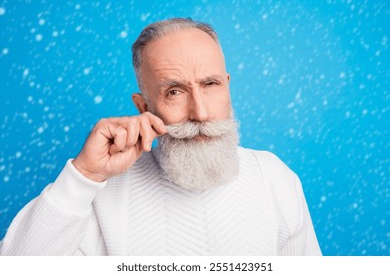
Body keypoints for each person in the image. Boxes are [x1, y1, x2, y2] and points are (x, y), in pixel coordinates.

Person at [0, 18, 321, 256]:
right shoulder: (103, 191)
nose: (201, 113)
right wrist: (85, 176)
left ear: (227, 85)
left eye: (211, 85)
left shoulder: (274, 177)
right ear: (144, 107)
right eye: (175, 91)